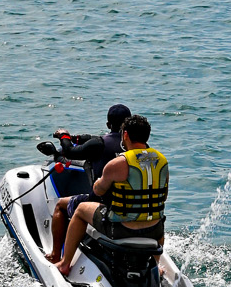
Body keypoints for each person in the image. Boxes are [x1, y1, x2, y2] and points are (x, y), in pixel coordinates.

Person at [53, 113, 168, 277]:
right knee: (155, 216)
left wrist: (100, 181)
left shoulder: (118, 163)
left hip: (121, 229)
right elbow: (163, 196)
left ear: (125, 134)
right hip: (155, 231)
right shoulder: (162, 161)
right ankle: (155, 266)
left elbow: (98, 191)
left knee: (80, 210)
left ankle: (64, 264)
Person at [46, 101, 131, 262]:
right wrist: (76, 138)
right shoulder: (137, 147)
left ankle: (56, 255)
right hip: (130, 205)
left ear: (108, 124)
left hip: (104, 204)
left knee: (61, 205)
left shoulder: (99, 144)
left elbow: (70, 152)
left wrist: (63, 136)